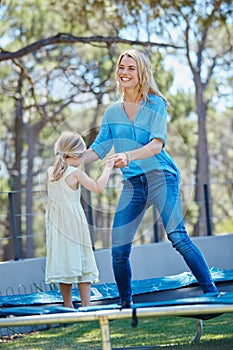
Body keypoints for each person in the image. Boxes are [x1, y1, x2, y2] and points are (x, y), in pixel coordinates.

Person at [84, 49, 219, 307]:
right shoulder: (112, 112)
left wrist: (127, 156)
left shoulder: (156, 103)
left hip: (161, 177)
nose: (124, 72)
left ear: (142, 72)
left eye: (131, 68)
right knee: (119, 249)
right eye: (121, 67)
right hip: (134, 184)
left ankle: (211, 292)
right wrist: (70, 159)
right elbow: (99, 149)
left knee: (177, 236)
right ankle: (126, 305)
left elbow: (157, 145)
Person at [45, 131, 114, 308]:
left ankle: (67, 306)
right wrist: (108, 168)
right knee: (83, 261)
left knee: (64, 262)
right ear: (76, 154)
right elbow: (98, 188)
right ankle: (86, 305)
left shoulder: (50, 172)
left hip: (57, 226)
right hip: (74, 224)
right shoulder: (75, 173)